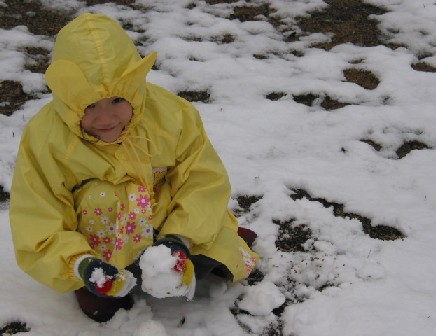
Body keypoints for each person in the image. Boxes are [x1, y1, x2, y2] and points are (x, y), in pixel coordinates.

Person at [9, 13, 258, 322]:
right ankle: (101, 278)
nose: (106, 118)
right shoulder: (46, 140)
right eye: (89, 106)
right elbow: (38, 216)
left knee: (219, 258)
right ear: (66, 99)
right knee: (101, 306)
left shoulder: (170, 115)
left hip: (164, 223)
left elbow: (201, 179)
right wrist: (80, 263)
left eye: (116, 99)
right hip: (102, 242)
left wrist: (178, 239)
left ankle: (197, 245)